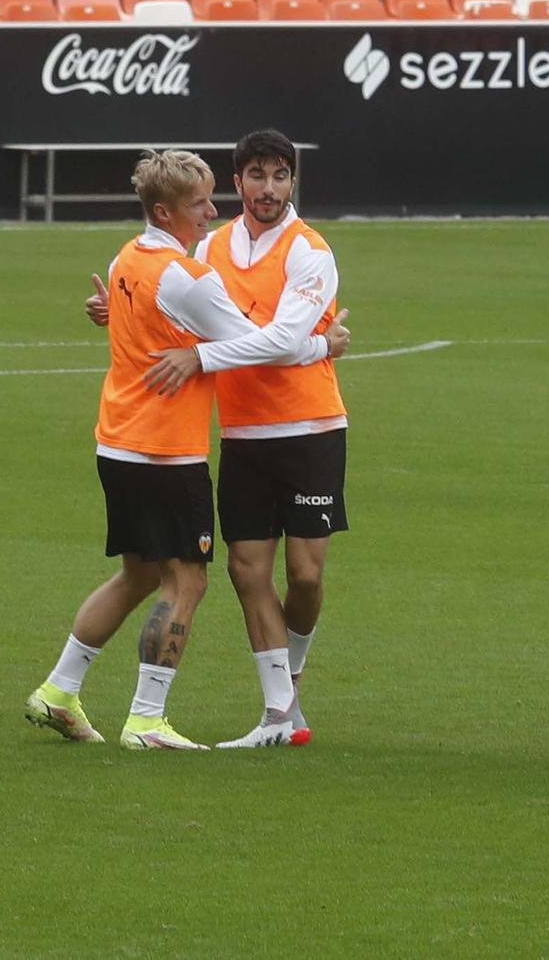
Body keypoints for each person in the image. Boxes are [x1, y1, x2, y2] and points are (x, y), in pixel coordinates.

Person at [28, 150, 349, 751]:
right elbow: (263, 345)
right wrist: (322, 344)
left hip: (117, 441)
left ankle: (59, 689)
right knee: (188, 584)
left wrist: (111, 313)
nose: (212, 212)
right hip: (166, 452)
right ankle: (147, 718)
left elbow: (143, 315)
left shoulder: (128, 256)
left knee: (138, 575)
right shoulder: (189, 276)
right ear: (164, 210)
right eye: (201, 202)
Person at [138, 130, 349, 750]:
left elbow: (284, 340)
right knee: (246, 568)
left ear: (292, 183)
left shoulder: (311, 252)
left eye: (280, 176)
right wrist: (120, 314)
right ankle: (279, 713)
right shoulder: (210, 245)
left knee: (305, 576)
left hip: (310, 427)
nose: (268, 188)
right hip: (242, 433)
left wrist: (204, 358)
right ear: (238, 183)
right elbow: (170, 297)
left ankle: (294, 674)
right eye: (257, 175)